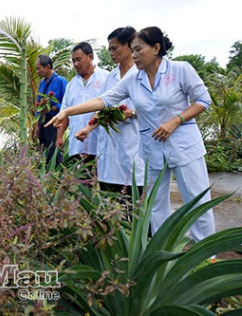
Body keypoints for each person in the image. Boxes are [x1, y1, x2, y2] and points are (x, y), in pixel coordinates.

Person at [46, 26, 215, 242]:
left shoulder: (180, 70)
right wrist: (68, 111)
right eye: (132, 50)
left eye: (138, 50)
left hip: (184, 146)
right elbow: (105, 100)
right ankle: (158, 251)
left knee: (196, 199)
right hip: (153, 148)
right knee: (155, 203)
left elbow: (203, 100)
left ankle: (206, 253)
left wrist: (175, 121)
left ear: (155, 48)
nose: (134, 55)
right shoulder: (133, 80)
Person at [75, 27, 144, 197]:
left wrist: (129, 112)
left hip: (133, 146)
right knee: (111, 204)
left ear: (129, 46)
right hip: (109, 152)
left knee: (135, 204)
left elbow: (147, 107)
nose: (111, 53)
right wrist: (88, 129)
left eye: (114, 48)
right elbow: (103, 106)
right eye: (109, 49)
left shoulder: (141, 74)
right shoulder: (111, 77)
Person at [58, 42, 108, 171]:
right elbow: (65, 113)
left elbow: (110, 108)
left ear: (90, 57)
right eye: (73, 61)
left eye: (79, 59)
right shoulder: (71, 85)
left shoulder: (106, 78)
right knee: (81, 186)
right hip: (77, 145)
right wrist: (59, 137)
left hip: (100, 143)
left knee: (100, 184)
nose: (75, 64)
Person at [35, 54, 68, 166]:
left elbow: (68, 102)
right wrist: (36, 123)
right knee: (44, 150)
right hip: (43, 121)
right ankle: (47, 176)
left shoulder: (60, 81)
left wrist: (55, 107)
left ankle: (58, 177)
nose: (37, 71)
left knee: (54, 151)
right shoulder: (42, 83)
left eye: (39, 68)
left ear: (47, 66)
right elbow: (38, 104)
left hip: (54, 121)